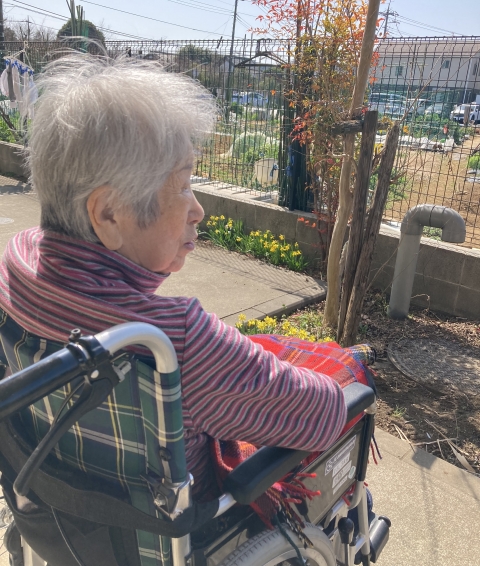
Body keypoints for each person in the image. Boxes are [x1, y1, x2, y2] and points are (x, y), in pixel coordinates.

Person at [0, 54, 349, 565]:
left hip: (57, 522)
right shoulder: (172, 342)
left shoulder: (16, 263)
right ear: (109, 214)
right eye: (183, 184)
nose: (198, 209)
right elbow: (321, 415)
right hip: (172, 543)